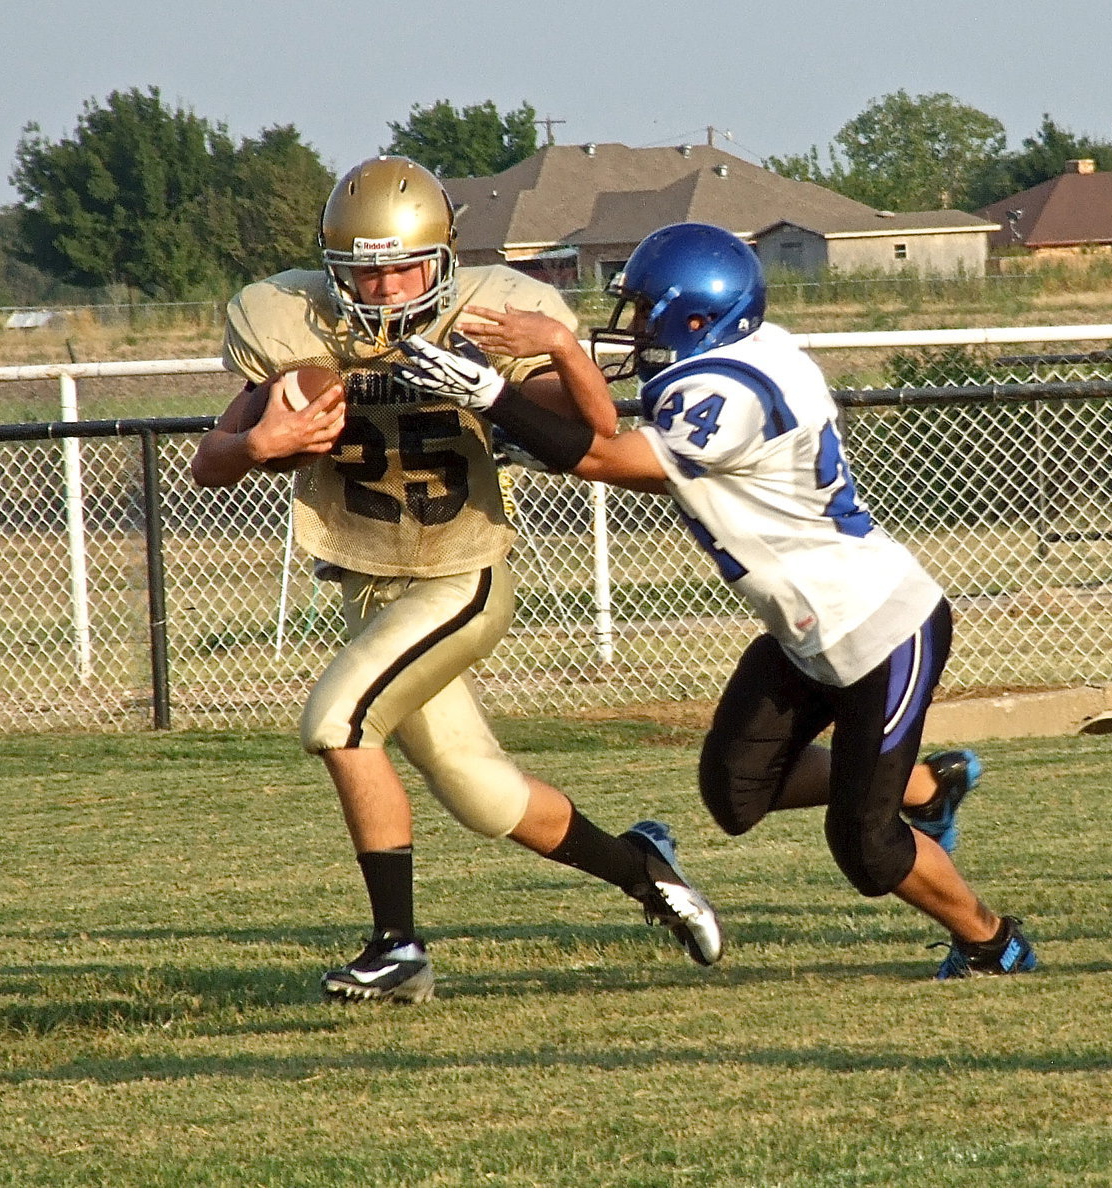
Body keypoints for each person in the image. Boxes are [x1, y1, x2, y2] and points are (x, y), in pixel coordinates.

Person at [395, 220, 1036, 980]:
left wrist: (495, 392)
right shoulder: (750, 349)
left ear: (695, 317)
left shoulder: (723, 390)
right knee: (734, 795)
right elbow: (602, 415)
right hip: (804, 630)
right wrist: (533, 369)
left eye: (644, 310)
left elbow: (607, 456)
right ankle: (929, 784)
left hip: (879, 627)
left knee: (867, 847)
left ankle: (993, 943)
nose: (632, 326)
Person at [190, 158, 724, 1003]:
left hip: (461, 575)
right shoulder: (293, 323)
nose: (388, 284)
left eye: (404, 264)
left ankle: (397, 949)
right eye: (367, 268)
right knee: (483, 794)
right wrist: (259, 446)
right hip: (368, 584)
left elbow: (591, 430)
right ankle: (644, 869)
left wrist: (558, 348)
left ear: (442, 257)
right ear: (334, 269)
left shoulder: (488, 315)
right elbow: (210, 464)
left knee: (338, 722)